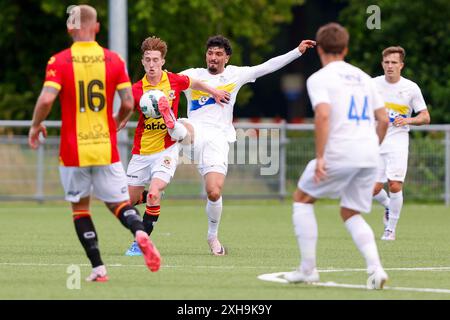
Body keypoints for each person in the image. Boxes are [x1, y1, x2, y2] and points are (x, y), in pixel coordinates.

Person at [28, 5, 161, 281]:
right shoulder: (114, 60)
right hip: (105, 145)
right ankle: (139, 232)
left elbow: (45, 100)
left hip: (73, 149)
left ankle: (99, 269)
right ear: (96, 28)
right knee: (119, 205)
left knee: (80, 209)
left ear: (69, 28)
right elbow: (127, 102)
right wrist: (116, 122)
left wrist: (35, 125)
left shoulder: (59, 61)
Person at [164, 35, 315, 256]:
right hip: (193, 132)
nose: (213, 58)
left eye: (218, 54)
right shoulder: (192, 75)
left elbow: (268, 66)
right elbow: (165, 81)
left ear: (226, 57)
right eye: (210, 53)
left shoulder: (235, 74)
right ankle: (170, 136)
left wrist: (297, 51)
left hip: (218, 139)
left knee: (214, 192)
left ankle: (212, 236)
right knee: (181, 127)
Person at [283, 22, 390, 289]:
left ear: (319, 50)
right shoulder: (365, 78)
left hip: (340, 151)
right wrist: (371, 148)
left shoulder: (320, 78)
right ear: (346, 48)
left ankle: (308, 269)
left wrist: (320, 156)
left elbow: (322, 115)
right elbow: (384, 120)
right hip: (369, 155)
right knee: (350, 211)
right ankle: (376, 269)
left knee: (302, 199)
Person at [124, 36, 230, 256]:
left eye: (156, 60)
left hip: (167, 148)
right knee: (127, 201)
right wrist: (116, 123)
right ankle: (152, 199)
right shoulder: (136, 90)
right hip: (142, 151)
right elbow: (124, 114)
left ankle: (141, 242)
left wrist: (216, 92)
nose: (152, 64)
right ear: (142, 62)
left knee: (153, 193)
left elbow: (196, 83)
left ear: (163, 61)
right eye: (148, 60)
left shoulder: (173, 80)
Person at [372, 46, 430, 241]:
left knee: (395, 184)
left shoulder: (411, 88)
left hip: (397, 139)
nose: (390, 66)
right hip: (375, 140)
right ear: (382, 64)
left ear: (401, 65)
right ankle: (388, 205)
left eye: (394, 62)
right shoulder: (372, 85)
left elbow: (425, 117)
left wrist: (408, 120)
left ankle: (390, 229)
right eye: (386, 62)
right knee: (372, 189)